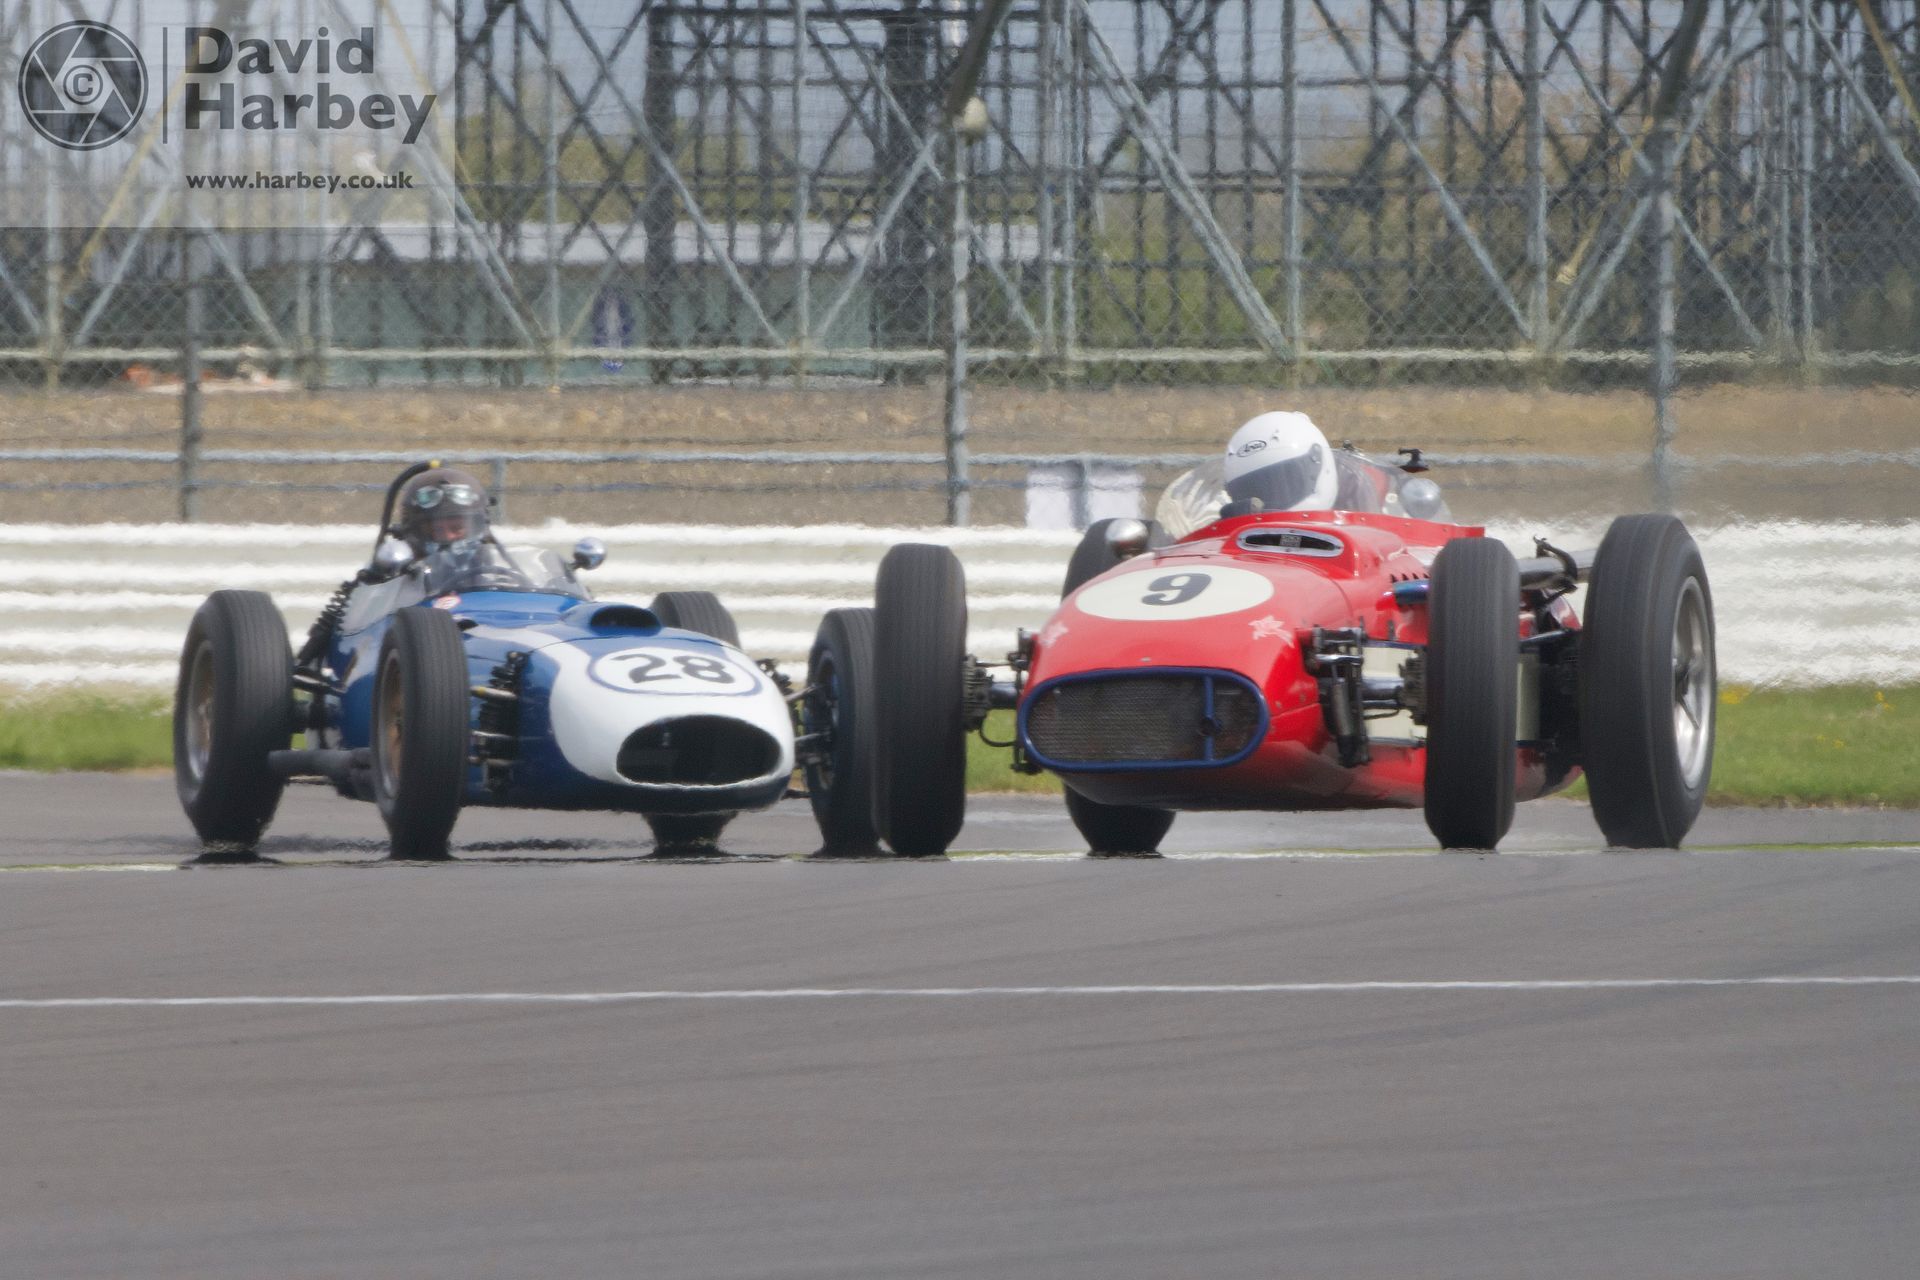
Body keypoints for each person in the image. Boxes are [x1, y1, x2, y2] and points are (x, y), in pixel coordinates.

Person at [1221, 411, 1389, 515]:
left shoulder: (1355, 488)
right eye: (1249, 490)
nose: (1260, 503)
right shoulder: (1237, 525)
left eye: (1284, 480)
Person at [394, 467, 491, 554]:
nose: (448, 537)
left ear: (478, 526)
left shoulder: (492, 565)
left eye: (457, 529)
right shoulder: (399, 564)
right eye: (436, 530)